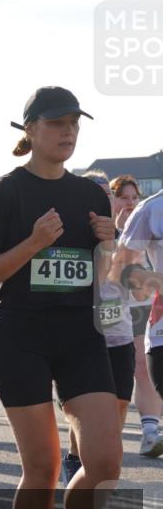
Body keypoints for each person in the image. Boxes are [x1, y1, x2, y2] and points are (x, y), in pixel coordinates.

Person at [0, 86, 118, 509]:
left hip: (80, 335)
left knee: (104, 461)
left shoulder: (93, 196)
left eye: (75, 122)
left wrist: (109, 245)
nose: (68, 131)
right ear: (29, 130)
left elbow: (105, 277)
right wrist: (32, 244)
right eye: (56, 123)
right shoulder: (6, 193)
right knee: (44, 467)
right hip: (21, 336)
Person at [109, 175, 163, 457]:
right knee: (130, 372)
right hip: (119, 314)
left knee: (141, 365)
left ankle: (150, 430)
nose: (129, 203)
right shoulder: (151, 211)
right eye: (123, 197)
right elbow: (119, 271)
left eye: (133, 197)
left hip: (142, 310)